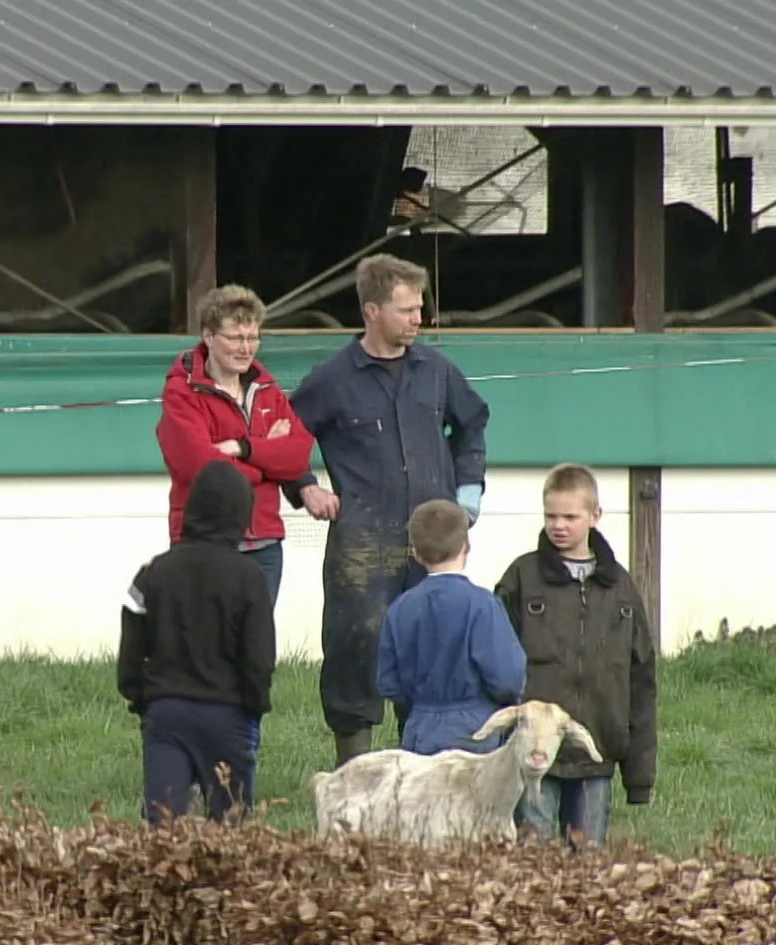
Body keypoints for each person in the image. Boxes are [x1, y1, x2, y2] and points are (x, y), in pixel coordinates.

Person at [282, 254, 492, 766]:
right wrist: (304, 484)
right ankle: (354, 770)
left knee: (432, 648)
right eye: (406, 310)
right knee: (358, 649)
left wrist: (468, 488)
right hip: (362, 541)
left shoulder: (436, 371)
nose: (419, 319)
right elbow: (282, 435)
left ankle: (422, 766)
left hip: (433, 538)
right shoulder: (332, 378)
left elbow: (473, 422)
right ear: (371, 311)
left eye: (420, 308)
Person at [493, 463, 658, 849]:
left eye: (570, 516)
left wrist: (639, 774)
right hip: (536, 753)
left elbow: (641, 678)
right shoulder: (521, 578)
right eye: (551, 515)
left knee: (588, 869)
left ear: (595, 516)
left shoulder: (620, 588)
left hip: (597, 751)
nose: (559, 525)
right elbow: (497, 663)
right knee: (535, 860)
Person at [116, 459, 277, 827]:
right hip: (228, 714)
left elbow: (130, 650)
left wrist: (141, 696)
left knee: (164, 826)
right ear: (241, 515)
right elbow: (260, 658)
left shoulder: (153, 572)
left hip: (166, 711)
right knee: (229, 830)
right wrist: (255, 706)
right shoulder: (249, 579)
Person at [156, 284, 315, 606]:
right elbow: (203, 471)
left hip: (265, 545)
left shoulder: (268, 389)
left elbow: (298, 457)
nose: (246, 348)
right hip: (205, 545)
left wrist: (244, 449)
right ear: (209, 336)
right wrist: (268, 463)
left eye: (253, 337)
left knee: (255, 646)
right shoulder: (182, 394)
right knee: (205, 646)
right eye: (235, 338)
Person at [377, 499, 527, 756]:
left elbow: (389, 682)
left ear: (416, 554)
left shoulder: (400, 608)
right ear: (466, 546)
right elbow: (507, 677)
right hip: (476, 728)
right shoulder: (483, 605)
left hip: (420, 727)